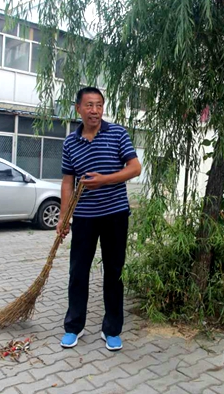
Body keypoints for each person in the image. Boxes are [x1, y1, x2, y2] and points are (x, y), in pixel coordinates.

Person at [57, 87, 141, 351]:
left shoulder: (117, 133)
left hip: (115, 215)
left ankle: (112, 329)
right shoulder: (70, 143)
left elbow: (135, 168)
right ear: (78, 108)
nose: (94, 111)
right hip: (84, 217)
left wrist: (104, 180)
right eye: (89, 105)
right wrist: (63, 217)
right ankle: (74, 326)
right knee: (77, 271)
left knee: (114, 272)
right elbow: (67, 182)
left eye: (99, 105)